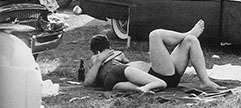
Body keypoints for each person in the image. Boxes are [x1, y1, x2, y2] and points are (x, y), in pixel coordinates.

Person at [84, 20, 224, 92]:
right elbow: (88, 82)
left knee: (191, 41)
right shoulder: (96, 60)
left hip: (164, 73)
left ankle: (205, 81)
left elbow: (129, 67)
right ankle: (186, 33)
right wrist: (100, 60)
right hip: (159, 75)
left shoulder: (117, 56)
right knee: (155, 35)